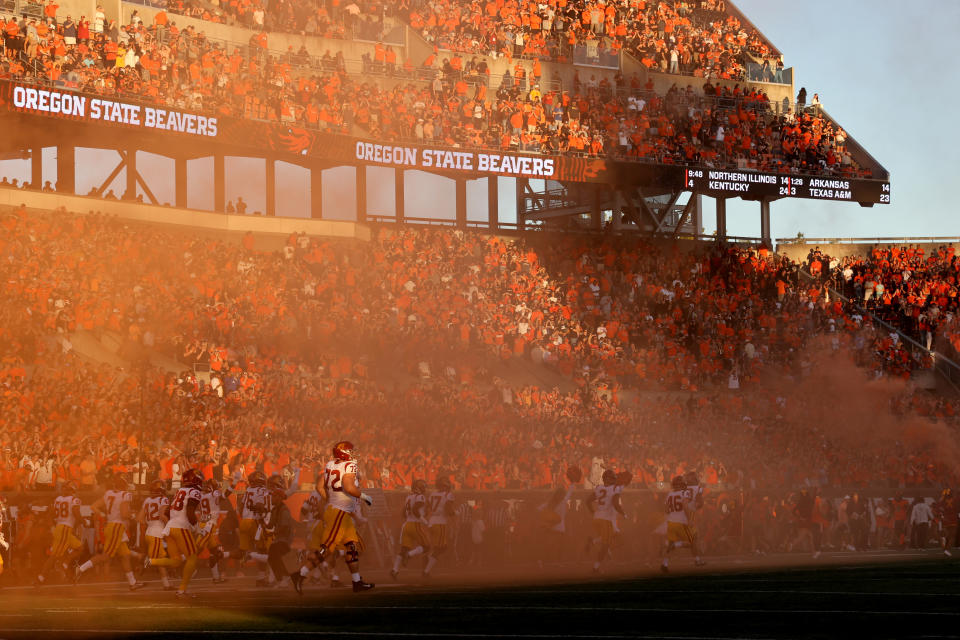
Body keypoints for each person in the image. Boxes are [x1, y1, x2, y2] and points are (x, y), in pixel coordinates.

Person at [297, 441, 373, 592]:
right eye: (350, 451)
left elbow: (314, 496)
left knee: (352, 548)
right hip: (334, 517)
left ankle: (352, 580)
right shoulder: (347, 470)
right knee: (330, 549)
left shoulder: (331, 466)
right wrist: (364, 497)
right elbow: (346, 492)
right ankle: (303, 573)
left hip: (328, 517)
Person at [75, 475, 145, 590]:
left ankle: (132, 583)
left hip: (112, 526)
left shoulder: (109, 494)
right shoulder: (125, 495)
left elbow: (93, 506)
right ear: (124, 486)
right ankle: (81, 568)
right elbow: (124, 514)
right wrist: (133, 515)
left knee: (125, 556)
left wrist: (102, 514)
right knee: (106, 556)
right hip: (117, 527)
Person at [144, 468, 203, 598]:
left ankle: (152, 561)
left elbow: (166, 513)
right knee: (192, 557)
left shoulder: (180, 491)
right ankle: (182, 591)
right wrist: (197, 528)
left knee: (176, 561)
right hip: (180, 527)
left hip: (170, 528)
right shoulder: (194, 491)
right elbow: (190, 512)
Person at [35, 482, 84, 586]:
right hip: (65, 529)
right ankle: (40, 578)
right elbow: (77, 515)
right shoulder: (74, 500)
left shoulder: (58, 500)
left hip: (60, 528)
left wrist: (53, 527)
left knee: (79, 548)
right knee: (54, 556)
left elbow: (50, 515)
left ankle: (66, 566)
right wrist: (85, 522)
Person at [661, 475, 702, 573]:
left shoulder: (669, 494)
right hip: (681, 522)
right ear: (682, 483)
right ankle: (677, 545)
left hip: (671, 522)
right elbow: (685, 506)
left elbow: (666, 510)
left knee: (670, 544)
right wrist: (689, 520)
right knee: (692, 541)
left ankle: (665, 564)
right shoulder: (684, 492)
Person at [391, 479, 430, 580]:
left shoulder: (408, 497)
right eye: (423, 486)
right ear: (419, 487)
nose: (424, 488)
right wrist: (425, 521)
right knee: (427, 547)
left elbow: (404, 513)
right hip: (415, 525)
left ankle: (395, 570)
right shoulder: (420, 497)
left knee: (403, 549)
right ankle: (409, 555)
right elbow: (415, 510)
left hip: (406, 525)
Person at [585, 469, 624, 573]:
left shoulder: (599, 488)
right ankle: (596, 567)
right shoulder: (614, 488)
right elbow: (616, 504)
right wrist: (624, 513)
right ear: (607, 479)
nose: (614, 480)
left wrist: (592, 512)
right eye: (612, 478)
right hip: (606, 520)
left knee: (606, 540)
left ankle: (594, 543)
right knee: (606, 544)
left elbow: (587, 501)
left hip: (596, 519)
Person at [138, 479, 174, 590]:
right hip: (157, 533)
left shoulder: (147, 500)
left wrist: (150, 524)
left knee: (160, 559)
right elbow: (162, 516)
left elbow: (140, 518)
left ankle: (166, 584)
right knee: (156, 560)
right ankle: (140, 571)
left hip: (150, 532)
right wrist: (170, 527)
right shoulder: (163, 499)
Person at [239, 470, 272, 586]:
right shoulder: (263, 491)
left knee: (244, 549)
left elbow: (241, 505)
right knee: (263, 550)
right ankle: (262, 577)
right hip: (254, 521)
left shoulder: (248, 490)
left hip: (244, 521)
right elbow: (260, 507)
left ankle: (239, 565)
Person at [424, 476, 455, 577]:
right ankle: (426, 570)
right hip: (440, 523)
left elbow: (427, 508)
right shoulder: (447, 494)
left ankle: (428, 563)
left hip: (431, 522)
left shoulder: (432, 494)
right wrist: (455, 516)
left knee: (436, 547)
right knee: (441, 548)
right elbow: (448, 509)